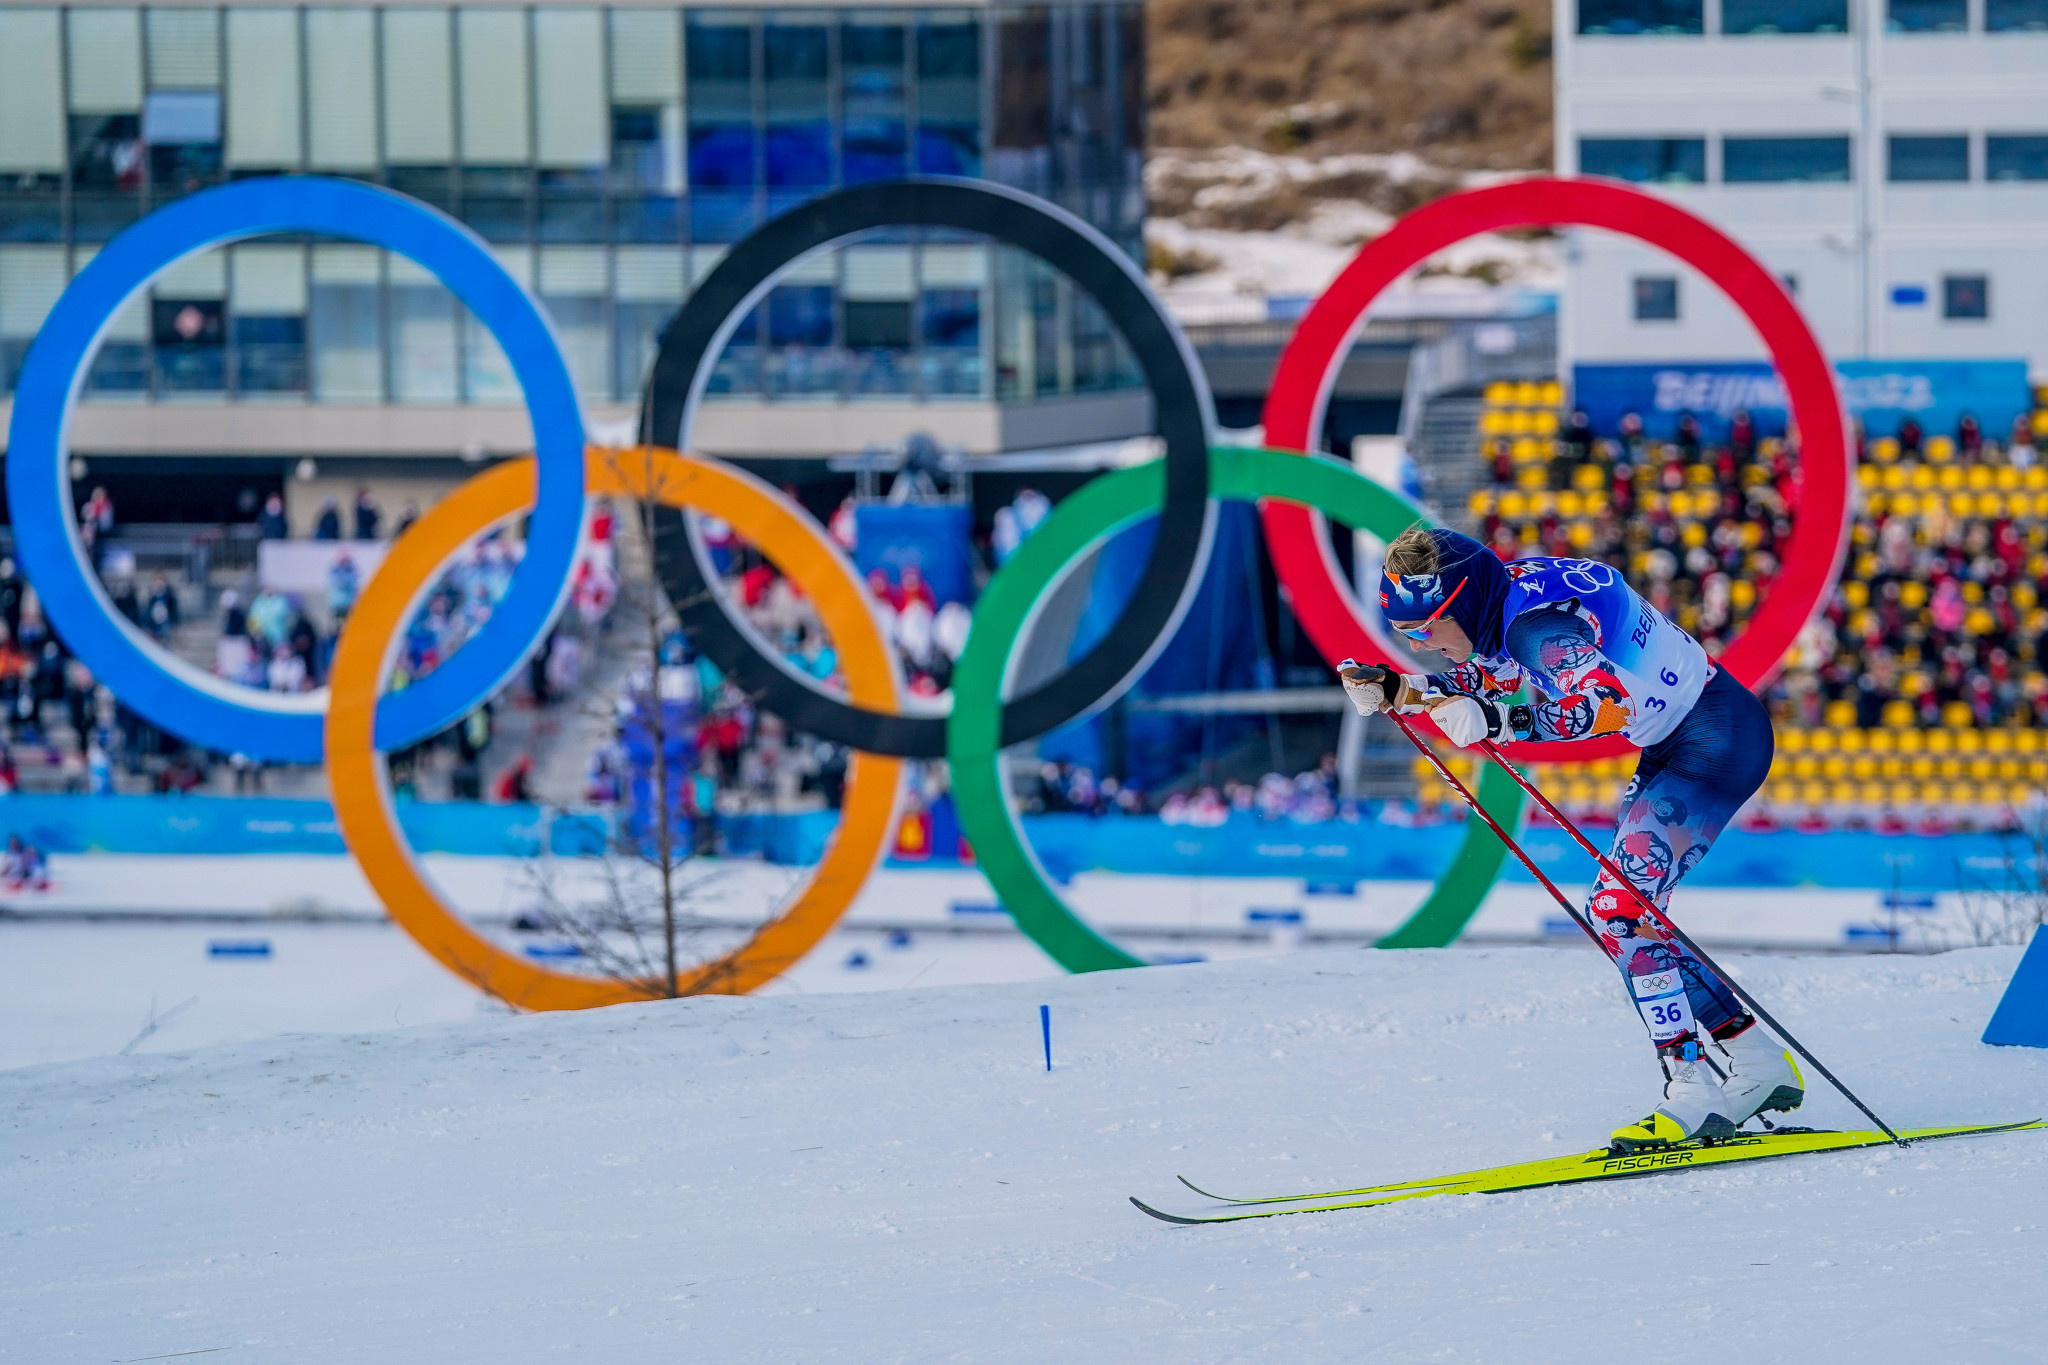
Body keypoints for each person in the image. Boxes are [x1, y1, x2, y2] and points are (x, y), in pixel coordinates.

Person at [1340, 525, 1800, 1152]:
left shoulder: (1537, 630)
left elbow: (1602, 708)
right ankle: (1755, 1061)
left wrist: (1499, 722)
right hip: (1688, 734)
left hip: (1710, 744)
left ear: (1457, 606)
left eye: (1422, 632)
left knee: (1619, 913)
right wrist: (1406, 691)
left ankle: (1694, 1089)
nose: (1418, 644)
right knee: (1628, 917)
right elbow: (1487, 677)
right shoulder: (1507, 597)